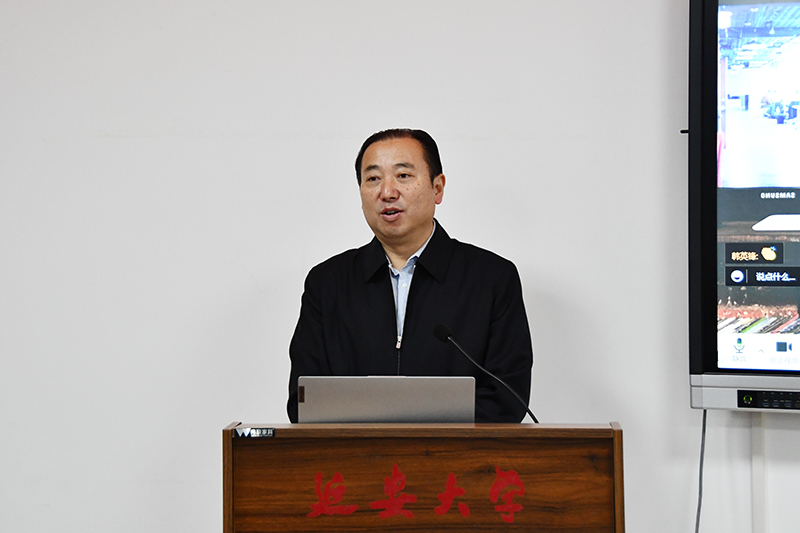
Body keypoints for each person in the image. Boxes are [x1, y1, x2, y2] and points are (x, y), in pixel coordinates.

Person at [287, 128, 533, 423]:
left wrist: (411, 430)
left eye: (403, 175)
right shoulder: (327, 284)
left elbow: (506, 401)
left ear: (437, 188)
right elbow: (304, 402)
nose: (387, 192)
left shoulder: (491, 279)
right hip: (355, 453)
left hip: (458, 452)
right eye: (373, 179)